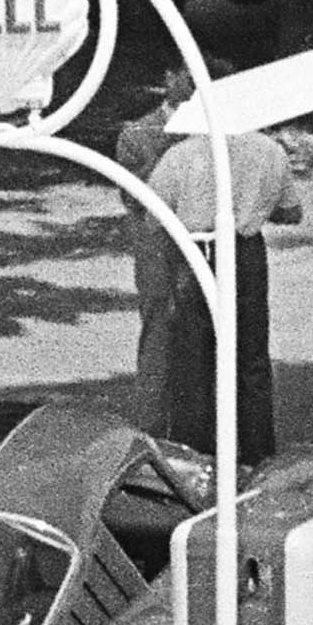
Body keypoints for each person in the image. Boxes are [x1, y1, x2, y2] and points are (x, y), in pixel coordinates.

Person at [143, 124, 304, 462]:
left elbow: (153, 217)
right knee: (251, 356)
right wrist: (254, 205)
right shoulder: (269, 151)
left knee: (192, 359)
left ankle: (195, 457)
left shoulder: (180, 155)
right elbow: (291, 212)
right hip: (245, 252)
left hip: (195, 253)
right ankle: (257, 456)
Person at [116, 64, 195, 435]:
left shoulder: (217, 130)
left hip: (204, 243)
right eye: (190, 79)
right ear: (170, 77)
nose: (196, 88)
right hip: (157, 249)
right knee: (159, 331)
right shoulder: (137, 133)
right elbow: (133, 197)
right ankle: (151, 426)